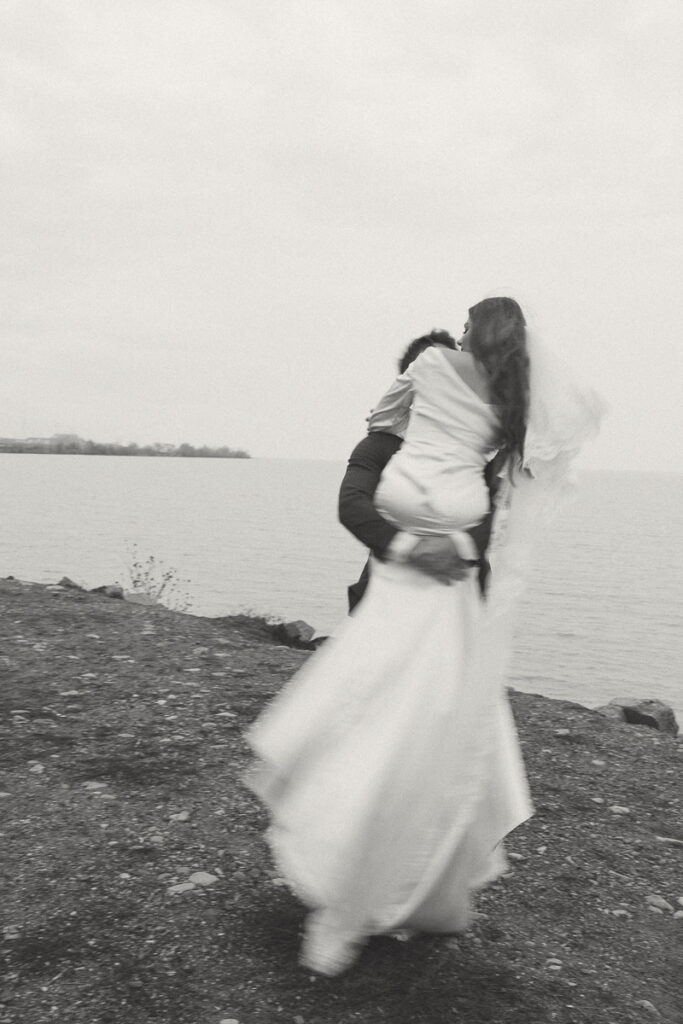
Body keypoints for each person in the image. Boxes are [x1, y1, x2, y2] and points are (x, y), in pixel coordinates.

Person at [246, 297, 604, 976]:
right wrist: (413, 546)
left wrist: (472, 583)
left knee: (430, 740)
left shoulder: (480, 419)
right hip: (392, 598)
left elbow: (490, 514)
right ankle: (352, 876)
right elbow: (353, 503)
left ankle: (402, 884)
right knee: (369, 733)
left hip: (447, 605)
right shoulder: (394, 436)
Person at [338, 329, 507, 609]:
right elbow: (352, 504)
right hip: (385, 594)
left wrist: (457, 547)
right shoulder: (379, 444)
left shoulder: (480, 452)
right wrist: (411, 549)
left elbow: (498, 512)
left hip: (462, 591)